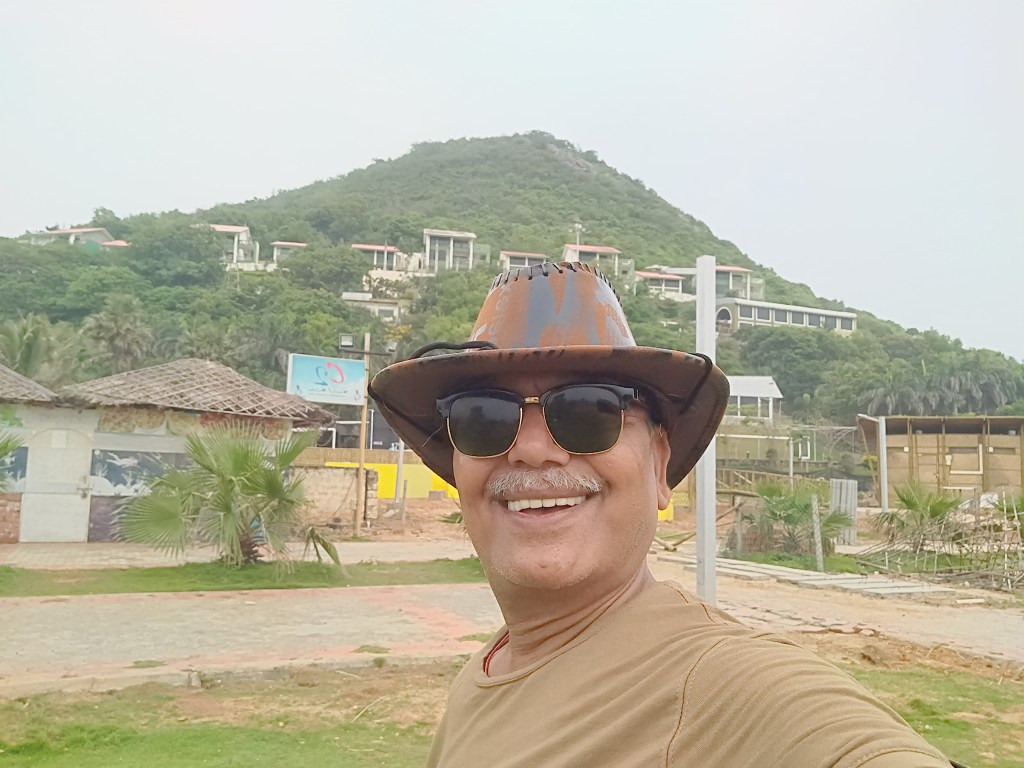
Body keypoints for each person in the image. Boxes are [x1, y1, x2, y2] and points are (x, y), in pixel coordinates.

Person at [369, 262, 959, 768]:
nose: (532, 449)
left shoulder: (723, 683)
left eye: (590, 412)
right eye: (482, 417)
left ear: (658, 464)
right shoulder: (489, 670)